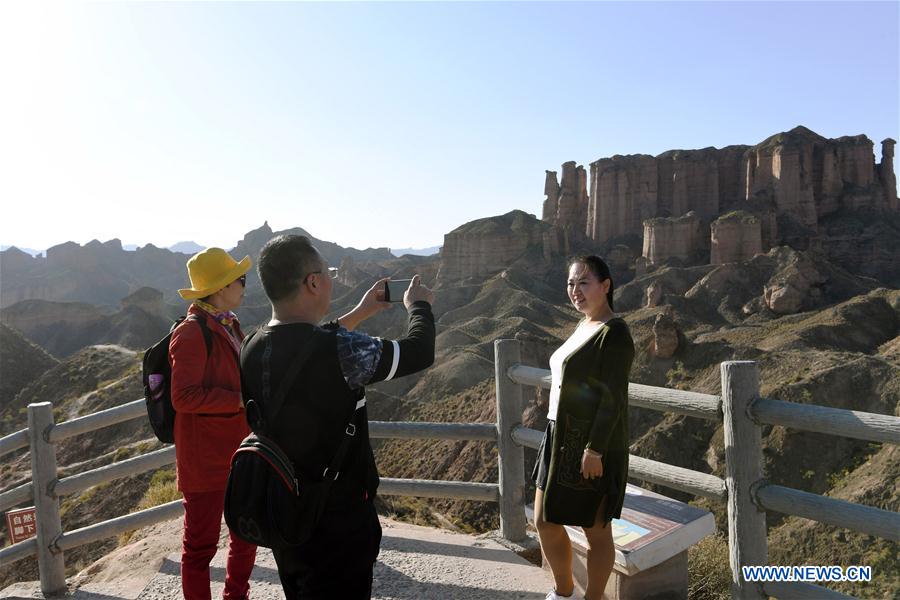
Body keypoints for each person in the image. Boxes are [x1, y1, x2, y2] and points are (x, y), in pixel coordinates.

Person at [239, 234, 435, 599]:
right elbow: (419, 351)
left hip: (285, 513)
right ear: (313, 282)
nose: (330, 279)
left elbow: (309, 343)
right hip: (338, 522)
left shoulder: (250, 346)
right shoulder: (341, 352)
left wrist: (362, 312)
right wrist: (419, 307)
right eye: (326, 272)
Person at [533, 255, 635, 600]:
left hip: (592, 444)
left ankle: (593, 598)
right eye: (571, 283)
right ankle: (565, 592)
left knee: (596, 531)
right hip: (558, 436)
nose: (575, 290)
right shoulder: (583, 325)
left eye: (584, 282)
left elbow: (613, 398)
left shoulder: (615, 333)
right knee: (544, 521)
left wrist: (595, 449)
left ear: (605, 286)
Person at [170, 247, 257, 600]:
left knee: (246, 534)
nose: (244, 286)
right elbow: (183, 397)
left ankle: (236, 595)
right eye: (240, 280)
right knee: (199, 548)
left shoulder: (230, 323)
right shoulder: (191, 332)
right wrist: (237, 399)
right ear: (221, 288)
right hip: (205, 460)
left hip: (239, 451)